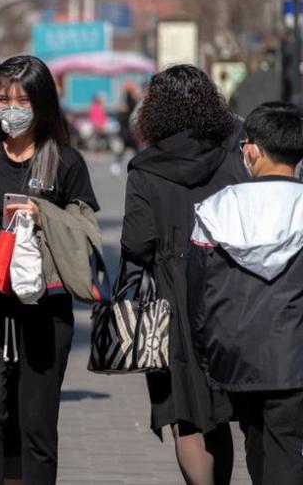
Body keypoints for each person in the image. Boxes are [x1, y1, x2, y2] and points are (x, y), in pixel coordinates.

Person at [0, 55, 100, 484]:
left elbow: (86, 231)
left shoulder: (65, 163)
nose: (11, 108)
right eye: (3, 98)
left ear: (41, 103)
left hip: (44, 302)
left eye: (21, 99)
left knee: (37, 425)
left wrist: (43, 216)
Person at [120, 64, 244, 485]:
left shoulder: (145, 169)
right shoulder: (233, 159)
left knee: (186, 414)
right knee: (221, 412)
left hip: (172, 299)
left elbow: (136, 243)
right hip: (228, 287)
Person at [188, 102, 303, 485]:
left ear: (252, 149)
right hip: (295, 359)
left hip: (235, 356)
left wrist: (207, 355)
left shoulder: (217, 209)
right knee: (287, 450)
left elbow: (197, 294)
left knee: (256, 448)